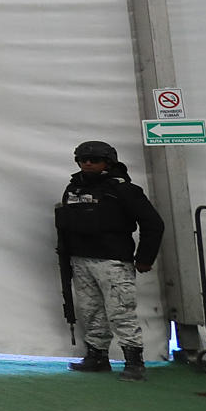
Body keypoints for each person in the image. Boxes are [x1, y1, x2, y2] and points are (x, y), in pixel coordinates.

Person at [55, 140, 164, 382]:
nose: (88, 163)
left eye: (94, 159)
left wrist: (145, 259)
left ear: (108, 161)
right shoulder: (74, 188)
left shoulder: (123, 189)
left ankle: (134, 362)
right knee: (90, 310)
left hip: (113, 261)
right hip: (81, 259)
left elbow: (153, 224)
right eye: (83, 159)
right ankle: (97, 356)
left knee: (120, 312)